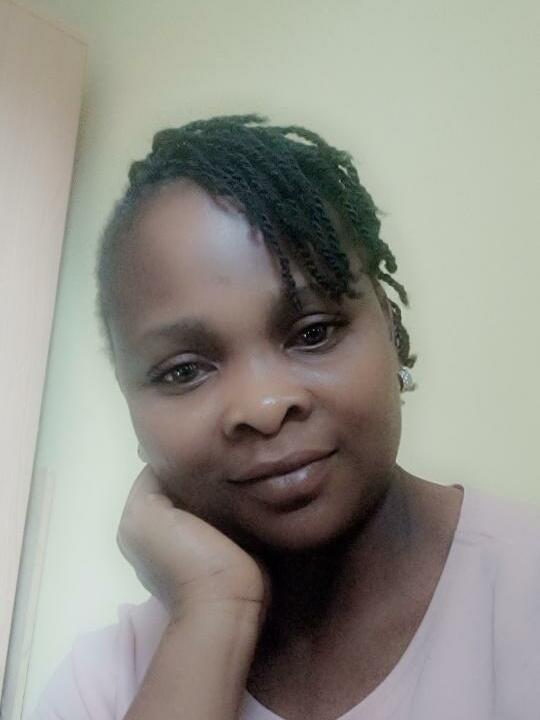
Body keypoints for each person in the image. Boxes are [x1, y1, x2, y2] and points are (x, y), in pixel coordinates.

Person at [28, 115, 540, 720]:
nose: (264, 408)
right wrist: (213, 609)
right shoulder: (99, 687)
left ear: (390, 325)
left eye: (313, 332)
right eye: (184, 370)